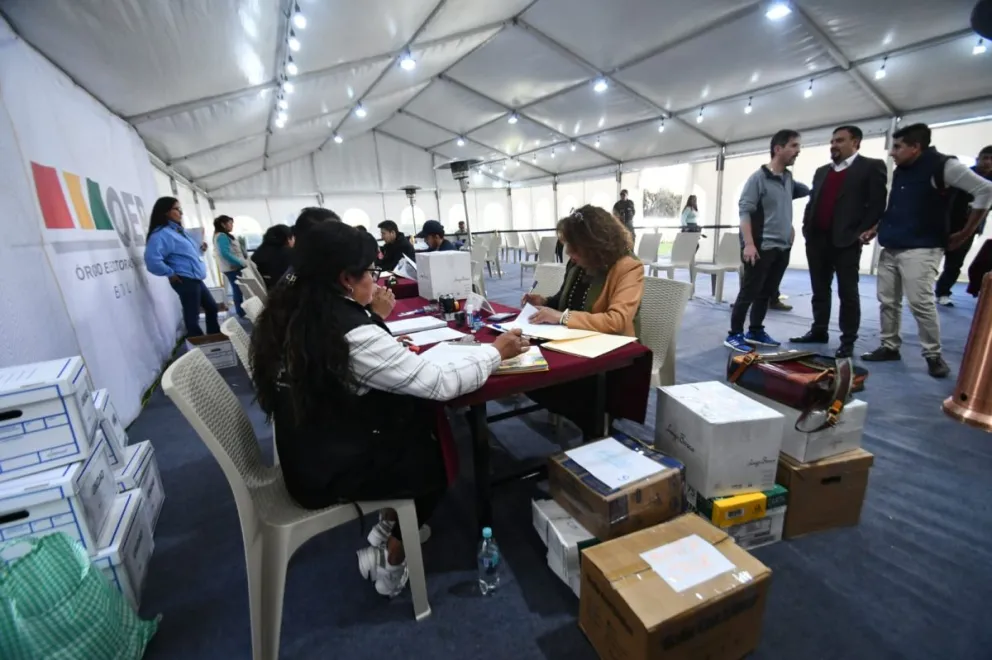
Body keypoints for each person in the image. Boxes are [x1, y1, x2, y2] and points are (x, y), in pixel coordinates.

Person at [249, 222, 528, 597]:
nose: (376, 281)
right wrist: (496, 352)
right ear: (345, 279)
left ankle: (386, 529)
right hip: (327, 470)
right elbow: (438, 383)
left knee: (414, 417)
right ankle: (392, 560)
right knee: (439, 453)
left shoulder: (294, 309)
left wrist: (370, 315)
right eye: (369, 272)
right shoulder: (348, 331)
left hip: (307, 449)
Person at [860, 124, 992, 378]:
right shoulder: (902, 171)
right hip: (892, 244)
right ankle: (889, 346)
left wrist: (965, 232)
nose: (892, 153)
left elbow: (985, 190)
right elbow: (897, 206)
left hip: (923, 247)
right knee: (888, 301)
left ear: (915, 147)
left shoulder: (944, 166)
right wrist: (876, 228)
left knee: (920, 302)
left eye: (897, 147)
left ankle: (933, 355)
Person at [790, 126, 888, 358]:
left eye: (840, 141)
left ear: (856, 142)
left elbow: (877, 204)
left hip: (846, 241)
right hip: (817, 240)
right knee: (819, 290)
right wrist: (807, 228)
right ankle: (819, 330)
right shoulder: (822, 171)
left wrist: (862, 231)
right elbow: (812, 202)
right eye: (832, 141)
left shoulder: (871, 167)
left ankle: (848, 340)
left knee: (848, 292)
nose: (834, 145)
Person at [725, 130, 811, 352]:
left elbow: (786, 204)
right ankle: (734, 334)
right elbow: (744, 212)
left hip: (782, 247)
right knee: (749, 292)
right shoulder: (758, 179)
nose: (798, 151)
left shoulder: (789, 179)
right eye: (793, 146)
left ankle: (755, 330)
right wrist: (749, 244)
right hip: (761, 245)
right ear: (778, 149)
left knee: (767, 291)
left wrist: (788, 227)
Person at [523, 205, 644, 337]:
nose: (568, 252)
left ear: (595, 246)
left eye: (575, 247)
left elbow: (616, 321)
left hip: (614, 347)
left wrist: (563, 317)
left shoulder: (628, 267)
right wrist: (544, 302)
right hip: (575, 340)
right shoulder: (579, 263)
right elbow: (566, 299)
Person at [144, 196, 219, 338]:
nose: (181, 213)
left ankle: (213, 339)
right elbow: (152, 261)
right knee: (192, 316)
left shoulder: (178, 231)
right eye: (176, 209)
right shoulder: (161, 234)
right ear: (165, 211)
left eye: (180, 209)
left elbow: (184, 253)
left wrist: (200, 248)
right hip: (184, 279)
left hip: (194, 277)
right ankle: (198, 347)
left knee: (211, 307)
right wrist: (170, 273)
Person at [935, 145, 992, 306]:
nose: (987, 162)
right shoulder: (962, 175)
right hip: (946, 224)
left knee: (955, 263)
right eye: (985, 158)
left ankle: (943, 292)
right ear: (977, 159)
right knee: (931, 259)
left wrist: (968, 230)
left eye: (991, 159)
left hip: (968, 229)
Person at [212, 215, 249, 318]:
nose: (232, 225)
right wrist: (240, 262)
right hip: (232, 268)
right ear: (223, 224)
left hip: (234, 267)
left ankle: (241, 311)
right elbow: (225, 253)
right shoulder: (222, 236)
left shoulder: (224, 235)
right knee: (237, 289)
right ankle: (241, 312)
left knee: (238, 289)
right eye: (230, 223)